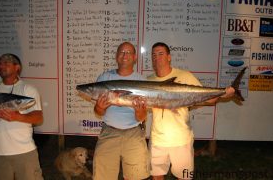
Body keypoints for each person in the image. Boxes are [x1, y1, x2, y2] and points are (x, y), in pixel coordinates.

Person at [148, 42, 235, 180]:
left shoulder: (185, 75)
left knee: (183, 177)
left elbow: (206, 99)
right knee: (157, 176)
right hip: (158, 139)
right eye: (153, 55)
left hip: (181, 139)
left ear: (169, 57)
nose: (156, 57)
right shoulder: (149, 81)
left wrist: (223, 94)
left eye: (160, 54)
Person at [93, 42, 150, 180]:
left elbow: (141, 118)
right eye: (122, 52)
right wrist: (100, 107)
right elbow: (98, 112)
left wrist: (139, 111)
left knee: (136, 177)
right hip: (109, 132)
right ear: (116, 56)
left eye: (129, 52)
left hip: (134, 133)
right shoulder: (104, 78)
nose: (125, 55)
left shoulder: (141, 80)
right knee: (103, 176)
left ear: (135, 57)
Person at [0, 53, 44, 180]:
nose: (2, 66)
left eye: (7, 63)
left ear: (17, 67)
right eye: (0, 63)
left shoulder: (28, 89)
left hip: (24, 152)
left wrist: (16, 117)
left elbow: (38, 118)